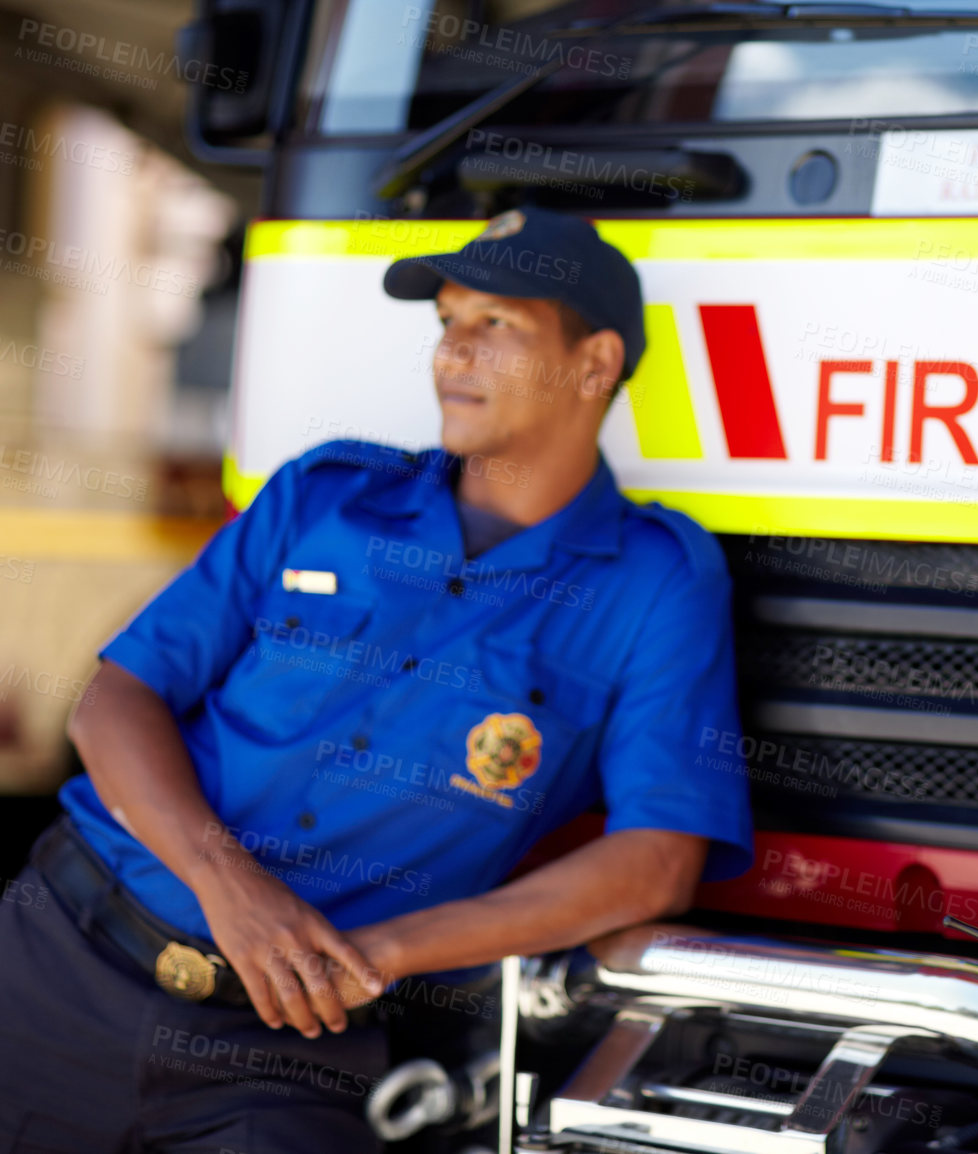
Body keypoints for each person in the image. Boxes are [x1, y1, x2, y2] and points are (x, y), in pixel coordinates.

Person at [0, 206, 754, 1152]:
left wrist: (385, 954)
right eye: (448, 323)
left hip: (286, 1055)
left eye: (497, 325)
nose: (453, 354)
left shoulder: (655, 583)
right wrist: (232, 885)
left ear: (596, 363)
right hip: (58, 959)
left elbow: (657, 860)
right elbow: (114, 699)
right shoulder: (322, 494)